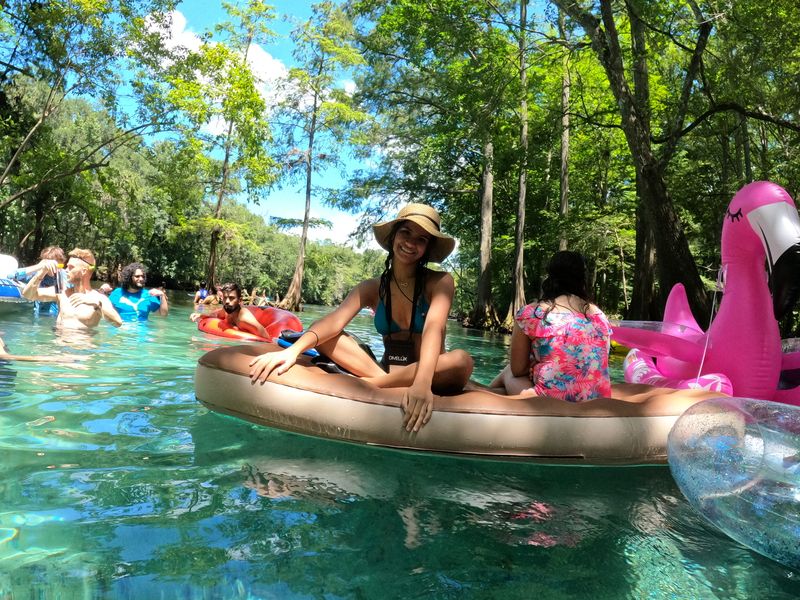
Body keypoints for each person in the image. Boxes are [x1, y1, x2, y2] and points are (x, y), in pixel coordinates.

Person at [249, 203, 473, 432]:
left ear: (428, 247)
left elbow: (433, 327)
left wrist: (422, 384)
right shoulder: (372, 288)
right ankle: (377, 381)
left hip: (431, 375)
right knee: (324, 333)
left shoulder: (440, 282)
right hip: (382, 370)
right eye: (406, 232)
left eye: (421, 239)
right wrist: (292, 351)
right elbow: (334, 321)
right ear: (394, 235)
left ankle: (371, 386)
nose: (410, 243)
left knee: (461, 360)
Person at [491, 250, 612, 401]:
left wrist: (532, 365)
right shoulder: (599, 316)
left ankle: (483, 397)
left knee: (508, 372)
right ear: (582, 278)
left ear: (551, 276)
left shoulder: (533, 313)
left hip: (549, 402)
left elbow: (518, 370)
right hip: (596, 400)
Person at [22, 248, 122, 330]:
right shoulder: (61, 293)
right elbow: (28, 295)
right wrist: (41, 272)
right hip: (58, 350)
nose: (66, 270)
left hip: (81, 351)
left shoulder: (99, 299)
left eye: (71, 267)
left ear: (83, 271)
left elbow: (117, 323)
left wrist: (97, 306)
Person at [190, 282, 269, 339]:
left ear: (240, 300)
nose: (227, 301)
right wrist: (200, 315)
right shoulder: (226, 309)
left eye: (231, 298)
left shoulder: (244, 319)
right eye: (225, 297)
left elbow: (266, 338)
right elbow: (216, 315)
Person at [12, 246, 68, 315]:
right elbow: (11, 275)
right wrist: (38, 267)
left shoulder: (65, 275)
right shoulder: (37, 274)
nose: (52, 265)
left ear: (61, 263)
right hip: (37, 317)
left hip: (56, 318)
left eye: (56, 262)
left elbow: (62, 292)